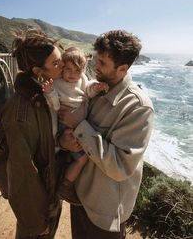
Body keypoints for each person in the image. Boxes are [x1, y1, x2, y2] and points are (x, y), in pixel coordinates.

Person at [58, 30, 154, 239]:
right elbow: (73, 131)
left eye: (102, 63)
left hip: (104, 213)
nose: (94, 66)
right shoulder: (96, 89)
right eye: (96, 59)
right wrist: (64, 142)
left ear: (122, 69)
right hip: (80, 197)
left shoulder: (138, 108)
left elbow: (120, 166)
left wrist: (80, 125)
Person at [0, 29, 67, 239]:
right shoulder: (22, 111)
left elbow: (46, 139)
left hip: (49, 189)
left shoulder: (43, 93)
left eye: (60, 59)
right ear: (38, 71)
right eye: (55, 64)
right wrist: (34, 221)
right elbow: (21, 170)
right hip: (37, 201)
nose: (63, 66)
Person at [42, 47, 108, 204]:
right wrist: (50, 92)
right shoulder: (57, 83)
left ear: (83, 70)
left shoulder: (83, 79)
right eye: (69, 70)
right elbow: (56, 106)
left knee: (81, 156)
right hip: (67, 125)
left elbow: (88, 91)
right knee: (82, 158)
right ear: (63, 67)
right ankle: (65, 185)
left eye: (77, 71)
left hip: (81, 124)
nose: (72, 74)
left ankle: (69, 183)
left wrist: (97, 87)